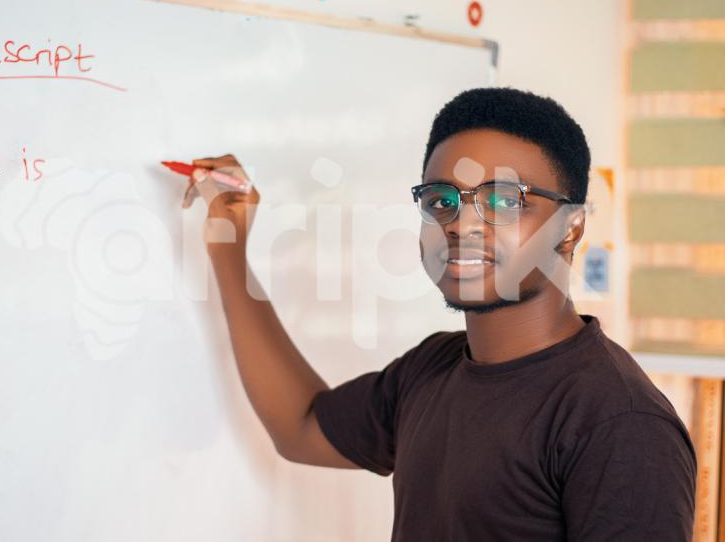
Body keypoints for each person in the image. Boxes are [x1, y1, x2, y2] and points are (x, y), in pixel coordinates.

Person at [179, 87, 696, 541]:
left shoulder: (619, 424)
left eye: (503, 200)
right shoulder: (433, 368)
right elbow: (301, 426)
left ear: (571, 228)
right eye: (443, 199)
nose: (462, 224)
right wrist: (229, 246)